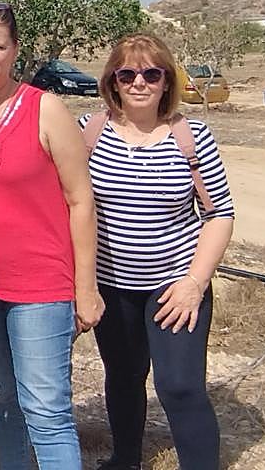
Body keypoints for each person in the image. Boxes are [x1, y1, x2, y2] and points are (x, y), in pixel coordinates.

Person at [0, 2, 102, 470]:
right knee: (3, 400)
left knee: (46, 410)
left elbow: (80, 200)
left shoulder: (45, 109)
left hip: (40, 287)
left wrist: (85, 288)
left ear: (14, 51)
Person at [82, 34, 235, 470]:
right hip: (112, 287)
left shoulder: (193, 137)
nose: (139, 82)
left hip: (175, 287)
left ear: (167, 81)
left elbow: (219, 215)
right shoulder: (88, 133)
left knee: (180, 386)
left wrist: (194, 284)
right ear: (113, 81)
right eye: (127, 73)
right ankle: (124, 459)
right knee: (125, 379)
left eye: (152, 73)